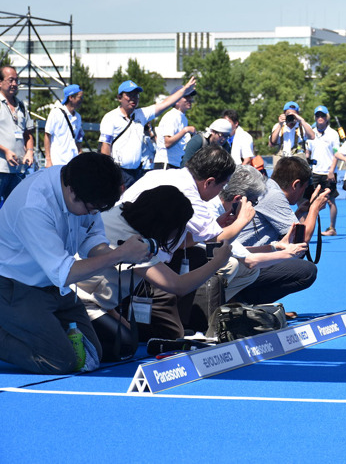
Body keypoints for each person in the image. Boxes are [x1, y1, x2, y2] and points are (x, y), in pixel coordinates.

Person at [0, 153, 152, 374]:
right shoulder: (33, 205)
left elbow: (92, 240)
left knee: (89, 355)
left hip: (53, 287)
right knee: (62, 361)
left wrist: (124, 254)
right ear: (71, 192)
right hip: (14, 286)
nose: (93, 214)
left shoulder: (84, 184)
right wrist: (117, 255)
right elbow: (65, 273)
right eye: (92, 209)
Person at [76, 186, 232, 361]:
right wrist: (219, 261)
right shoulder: (134, 243)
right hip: (80, 303)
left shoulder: (118, 214)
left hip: (90, 299)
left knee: (128, 338)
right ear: (164, 225)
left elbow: (105, 280)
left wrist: (114, 315)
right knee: (123, 347)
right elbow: (178, 286)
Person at [120, 145, 252, 339]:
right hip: (133, 255)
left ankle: (174, 317)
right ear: (209, 182)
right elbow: (214, 239)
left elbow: (182, 239)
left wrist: (215, 224)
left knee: (196, 255)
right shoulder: (187, 193)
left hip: (135, 250)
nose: (221, 191)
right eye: (222, 186)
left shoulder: (165, 175)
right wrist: (243, 221)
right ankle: (156, 316)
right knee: (170, 334)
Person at [214, 165, 315, 308]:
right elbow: (249, 261)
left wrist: (274, 247)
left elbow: (237, 250)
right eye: (253, 202)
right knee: (306, 271)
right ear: (238, 199)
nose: (254, 207)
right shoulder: (215, 211)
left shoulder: (218, 208)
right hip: (205, 275)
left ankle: (236, 304)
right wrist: (287, 253)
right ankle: (231, 305)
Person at [99, 76, 196, 188]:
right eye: (129, 95)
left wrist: (184, 90)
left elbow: (165, 104)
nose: (133, 98)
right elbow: (105, 146)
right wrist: (109, 173)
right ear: (119, 97)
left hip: (137, 172)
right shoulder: (111, 117)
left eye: (136, 95)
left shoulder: (141, 114)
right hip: (118, 172)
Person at [237, 156, 331, 249]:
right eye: (304, 188)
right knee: (302, 261)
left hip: (244, 252)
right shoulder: (273, 195)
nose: (303, 193)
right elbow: (300, 241)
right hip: (245, 258)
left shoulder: (268, 186)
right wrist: (315, 208)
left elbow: (281, 227)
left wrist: (300, 212)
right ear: (296, 184)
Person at [306, 106, 346, 236]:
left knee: (330, 200)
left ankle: (332, 228)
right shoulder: (311, 133)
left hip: (328, 172)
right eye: (317, 115)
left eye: (322, 115)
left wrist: (331, 170)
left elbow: (336, 153)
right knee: (311, 201)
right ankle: (310, 227)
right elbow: (308, 152)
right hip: (315, 172)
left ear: (326, 117)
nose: (320, 118)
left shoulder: (333, 134)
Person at [0, 66, 35, 206]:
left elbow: (28, 134)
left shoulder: (21, 105)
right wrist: (6, 151)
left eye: (16, 80)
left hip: (18, 170)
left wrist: (30, 152)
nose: (14, 84)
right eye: (10, 80)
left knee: (15, 209)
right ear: (0, 82)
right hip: (1, 168)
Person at [153, 85, 196, 169]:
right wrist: (185, 130)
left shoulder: (182, 117)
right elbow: (168, 143)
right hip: (165, 163)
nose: (190, 99)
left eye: (190, 97)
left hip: (175, 162)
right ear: (176, 100)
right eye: (186, 97)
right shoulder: (172, 116)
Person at [44, 83, 84, 167]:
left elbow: (78, 139)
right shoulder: (56, 113)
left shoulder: (78, 117)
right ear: (71, 98)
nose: (82, 100)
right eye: (80, 97)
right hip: (57, 162)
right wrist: (48, 159)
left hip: (72, 163)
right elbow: (47, 136)